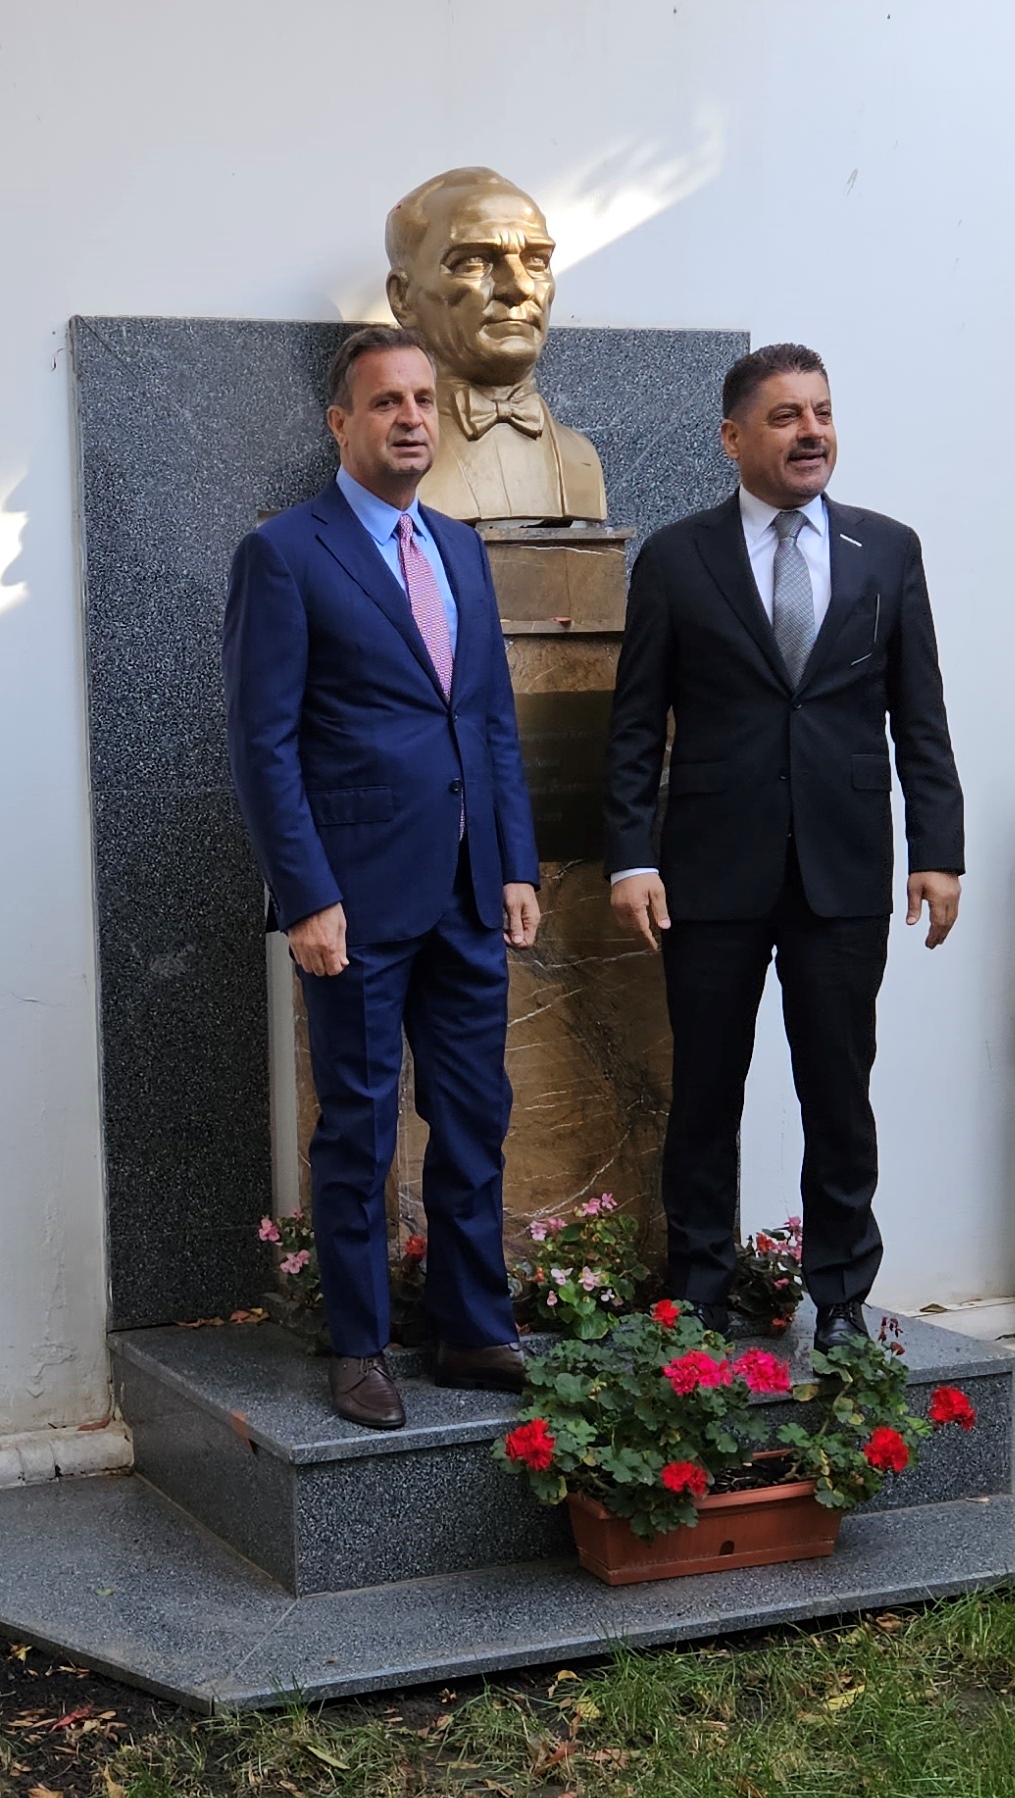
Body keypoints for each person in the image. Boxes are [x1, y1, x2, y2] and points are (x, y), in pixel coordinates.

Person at [604, 343, 963, 1352]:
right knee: (704, 1094)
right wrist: (631, 855)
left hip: (842, 872)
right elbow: (633, 725)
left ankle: (841, 1299)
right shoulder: (677, 557)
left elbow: (919, 715)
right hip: (709, 872)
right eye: (785, 416)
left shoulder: (886, 550)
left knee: (839, 1096)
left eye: (822, 412)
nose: (811, 433)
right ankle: (698, 1295)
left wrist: (937, 849)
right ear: (731, 437)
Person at [223, 324, 541, 1429]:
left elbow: (488, 720)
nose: (410, 417)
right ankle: (360, 1347)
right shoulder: (285, 553)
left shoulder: (457, 547)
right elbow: (263, 744)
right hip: (352, 903)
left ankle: (473, 1327)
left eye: (421, 399)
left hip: (467, 893)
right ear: (340, 423)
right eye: (385, 401)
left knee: (474, 1114)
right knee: (358, 1130)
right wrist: (306, 896)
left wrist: (512, 863)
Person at [385, 166, 606, 524]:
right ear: (402, 298)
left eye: (537, 261)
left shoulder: (582, 459)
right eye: (474, 261)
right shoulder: (385, 466)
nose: (519, 287)